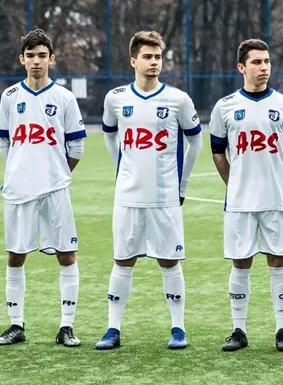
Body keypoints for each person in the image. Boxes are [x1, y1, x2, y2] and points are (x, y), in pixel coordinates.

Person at [95, 31, 202, 350]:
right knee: (122, 260)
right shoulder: (115, 98)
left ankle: (178, 329)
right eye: (147, 57)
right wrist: (120, 169)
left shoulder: (178, 99)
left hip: (164, 197)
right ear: (133, 60)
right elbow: (109, 134)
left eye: (158, 57)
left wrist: (182, 184)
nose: (154, 62)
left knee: (169, 261)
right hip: (127, 197)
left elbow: (195, 140)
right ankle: (113, 329)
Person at [0, 29, 86, 347]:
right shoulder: (9, 96)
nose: (36, 61)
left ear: (52, 58)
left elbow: (76, 148)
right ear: (22, 59)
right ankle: (16, 324)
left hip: (54, 191)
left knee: (67, 254)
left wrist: (55, 174)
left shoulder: (64, 98)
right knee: (15, 255)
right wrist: (18, 171)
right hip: (18, 191)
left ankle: (66, 326)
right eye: (30, 55)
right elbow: (4, 142)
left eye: (42, 55)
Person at [209, 39, 283, 352]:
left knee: (279, 261)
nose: (264, 67)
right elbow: (218, 152)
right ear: (241, 67)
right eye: (256, 62)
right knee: (240, 262)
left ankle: (282, 330)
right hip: (239, 201)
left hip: (276, 199)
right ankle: (238, 330)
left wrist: (276, 178)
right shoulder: (225, 106)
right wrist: (234, 181)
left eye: (267, 61)